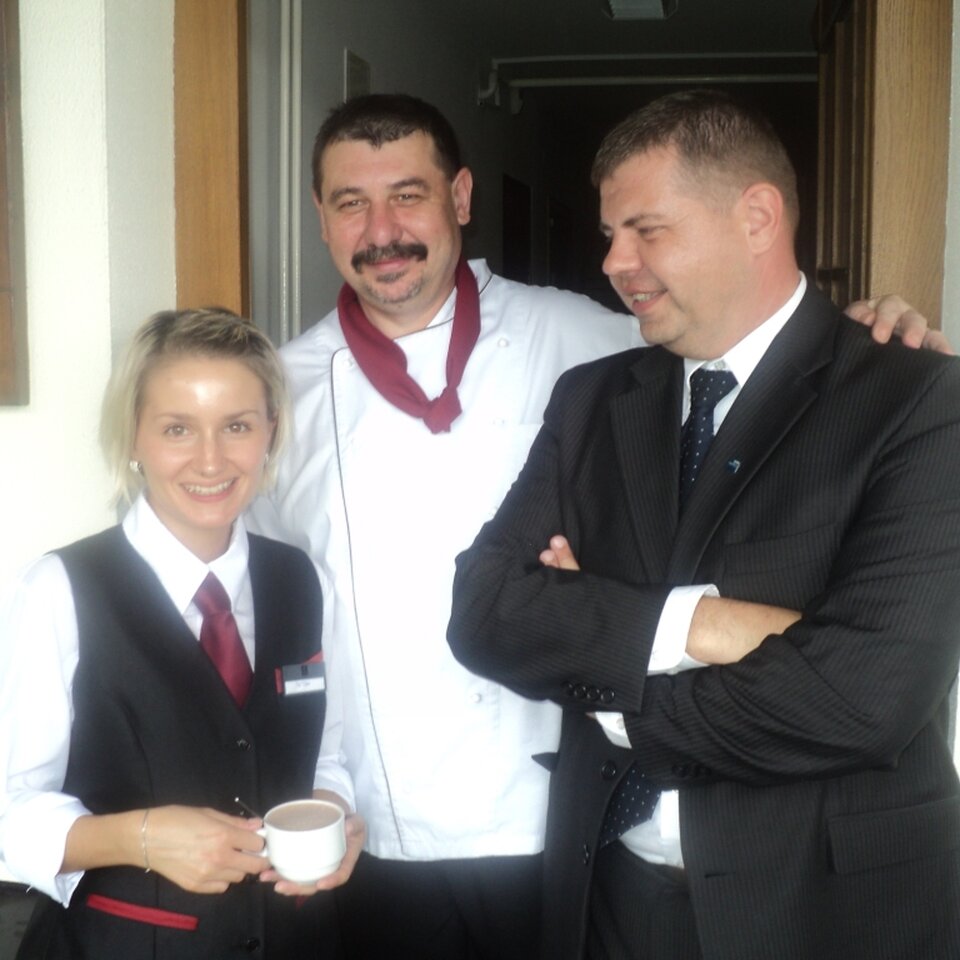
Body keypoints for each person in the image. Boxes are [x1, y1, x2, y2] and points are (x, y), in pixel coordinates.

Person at [247, 92, 948, 960]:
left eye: (408, 195)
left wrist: (611, 675)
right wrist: (706, 625)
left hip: (627, 848)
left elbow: (866, 694)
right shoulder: (277, 392)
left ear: (460, 198)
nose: (616, 262)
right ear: (320, 218)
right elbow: (465, 610)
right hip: (420, 836)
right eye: (351, 202)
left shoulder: (589, 337)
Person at [0, 309, 364, 960]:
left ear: (270, 432)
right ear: (133, 437)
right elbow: (9, 811)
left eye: (237, 426)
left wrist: (331, 818)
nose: (210, 459)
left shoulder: (303, 580)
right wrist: (139, 837)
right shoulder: (58, 589)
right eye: (177, 428)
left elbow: (325, 758)